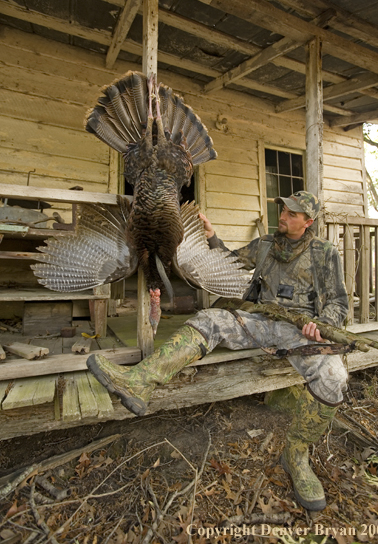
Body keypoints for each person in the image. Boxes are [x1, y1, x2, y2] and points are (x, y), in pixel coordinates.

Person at [87, 190, 349, 512]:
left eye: (292, 214)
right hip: (261, 322)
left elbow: (338, 302)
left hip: (301, 331)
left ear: (308, 222)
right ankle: (140, 380)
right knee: (211, 319)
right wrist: (212, 237)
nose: (283, 216)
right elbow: (231, 261)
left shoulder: (325, 253)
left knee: (334, 375)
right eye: (283, 209)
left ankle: (296, 454)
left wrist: (321, 324)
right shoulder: (265, 244)